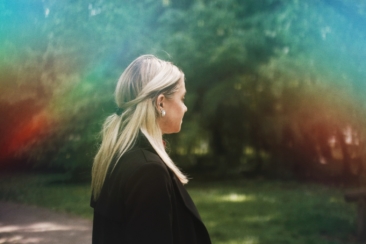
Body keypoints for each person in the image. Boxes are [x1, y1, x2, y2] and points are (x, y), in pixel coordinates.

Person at [90, 55, 211, 244]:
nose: (185, 108)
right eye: (182, 98)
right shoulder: (148, 171)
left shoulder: (117, 157)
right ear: (160, 102)